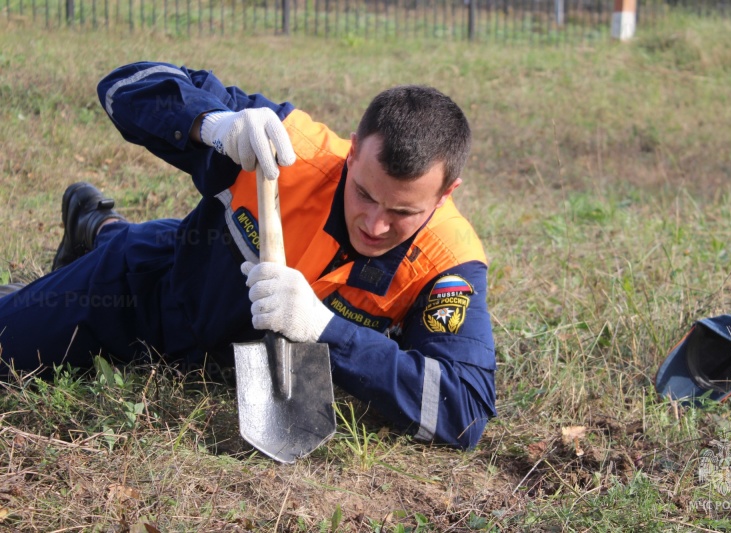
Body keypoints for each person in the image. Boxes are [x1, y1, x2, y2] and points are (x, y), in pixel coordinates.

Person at [0, 61, 496, 449]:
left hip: (236, 361)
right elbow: (122, 86)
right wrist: (212, 125)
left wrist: (326, 329)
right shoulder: (282, 147)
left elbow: (464, 411)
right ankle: (102, 234)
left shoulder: (447, 263)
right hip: (147, 290)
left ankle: (97, 226)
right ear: (351, 154)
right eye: (364, 194)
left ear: (446, 193)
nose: (375, 224)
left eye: (402, 212)